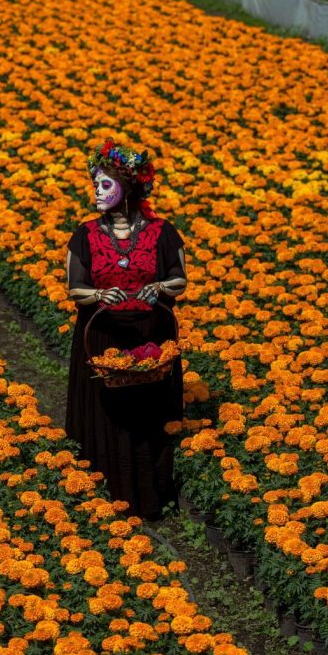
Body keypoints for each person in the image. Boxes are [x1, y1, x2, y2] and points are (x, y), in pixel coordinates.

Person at [64, 140, 188, 519]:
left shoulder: (163, 232)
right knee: (107, 417)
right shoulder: (84, 234)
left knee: (147, 417)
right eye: (95, 184)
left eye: (105, 185)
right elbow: (74, 289)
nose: (97, 192)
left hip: (150, 338)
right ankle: (100, 500)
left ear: (129, 187)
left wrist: (159, 289)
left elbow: (180, 280)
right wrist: (99, 293)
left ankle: (152, 498)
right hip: (103, 339)